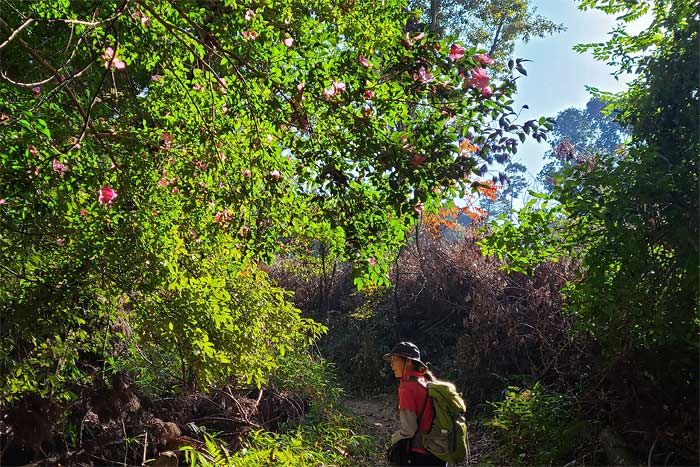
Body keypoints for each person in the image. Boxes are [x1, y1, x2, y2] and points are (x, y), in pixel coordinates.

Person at [384, 342, 447, 467]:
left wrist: (393, 439)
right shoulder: (425, 381)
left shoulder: (407, 388)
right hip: (439, 450)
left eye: (394, 360)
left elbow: (409, 429)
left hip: (421, 454)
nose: (391, 365)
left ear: (408, 361)